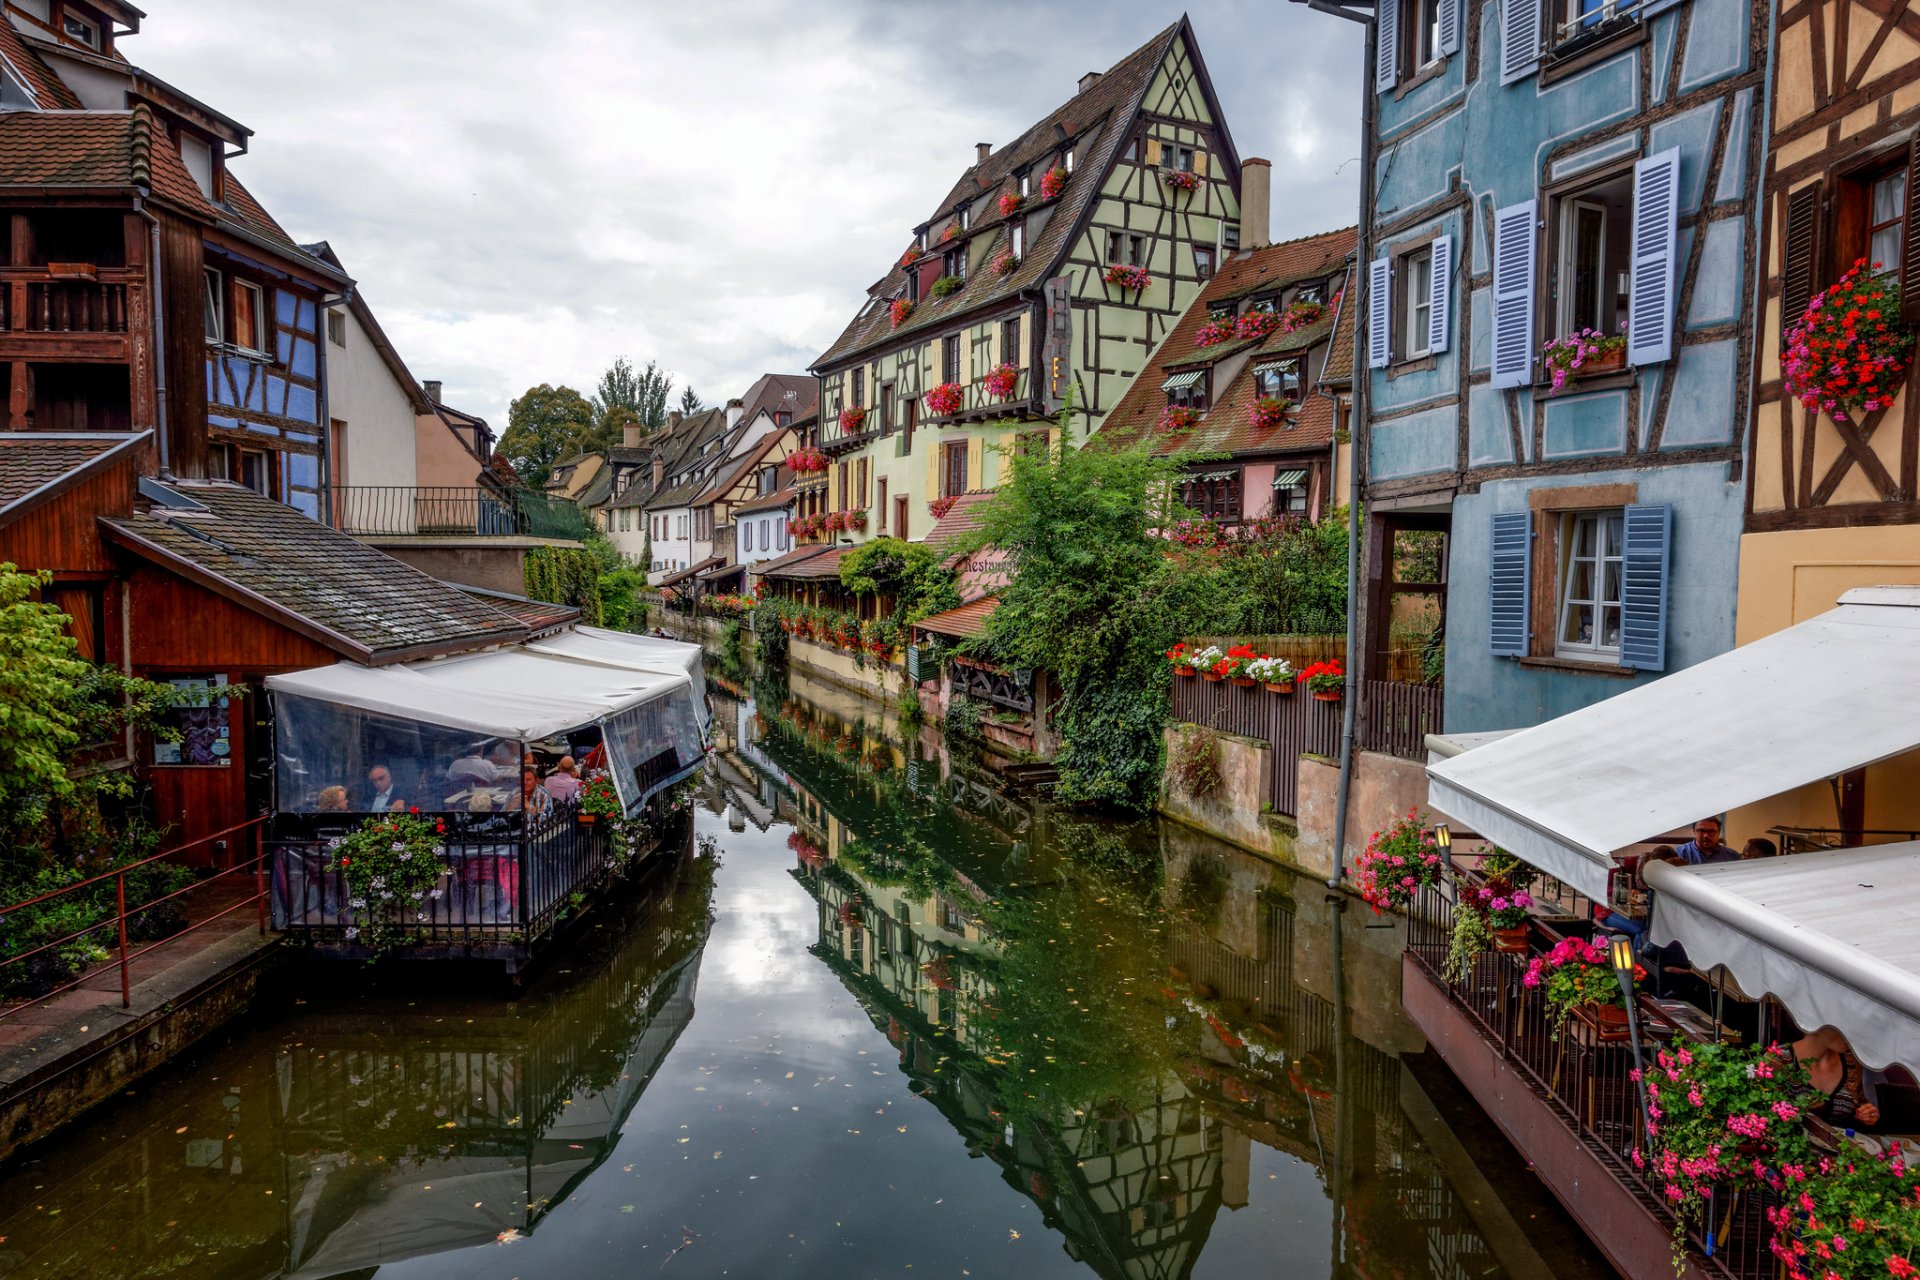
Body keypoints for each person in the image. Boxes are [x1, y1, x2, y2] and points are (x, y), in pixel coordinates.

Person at [1793, 1027, 1884, 1129]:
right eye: (1844, 1026)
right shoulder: (1779, 1061)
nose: (1852, 1037)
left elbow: (1858, 1106)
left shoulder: (1851, 1063)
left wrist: (1867, 1115)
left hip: (1840, 1144)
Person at [1675, 817, 1740, 865]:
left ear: (1719, 833)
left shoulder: (1732, 856)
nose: (1706, 836)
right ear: (1694, 831)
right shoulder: (1680, 854)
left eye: (1711, 831)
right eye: (1701, 831)